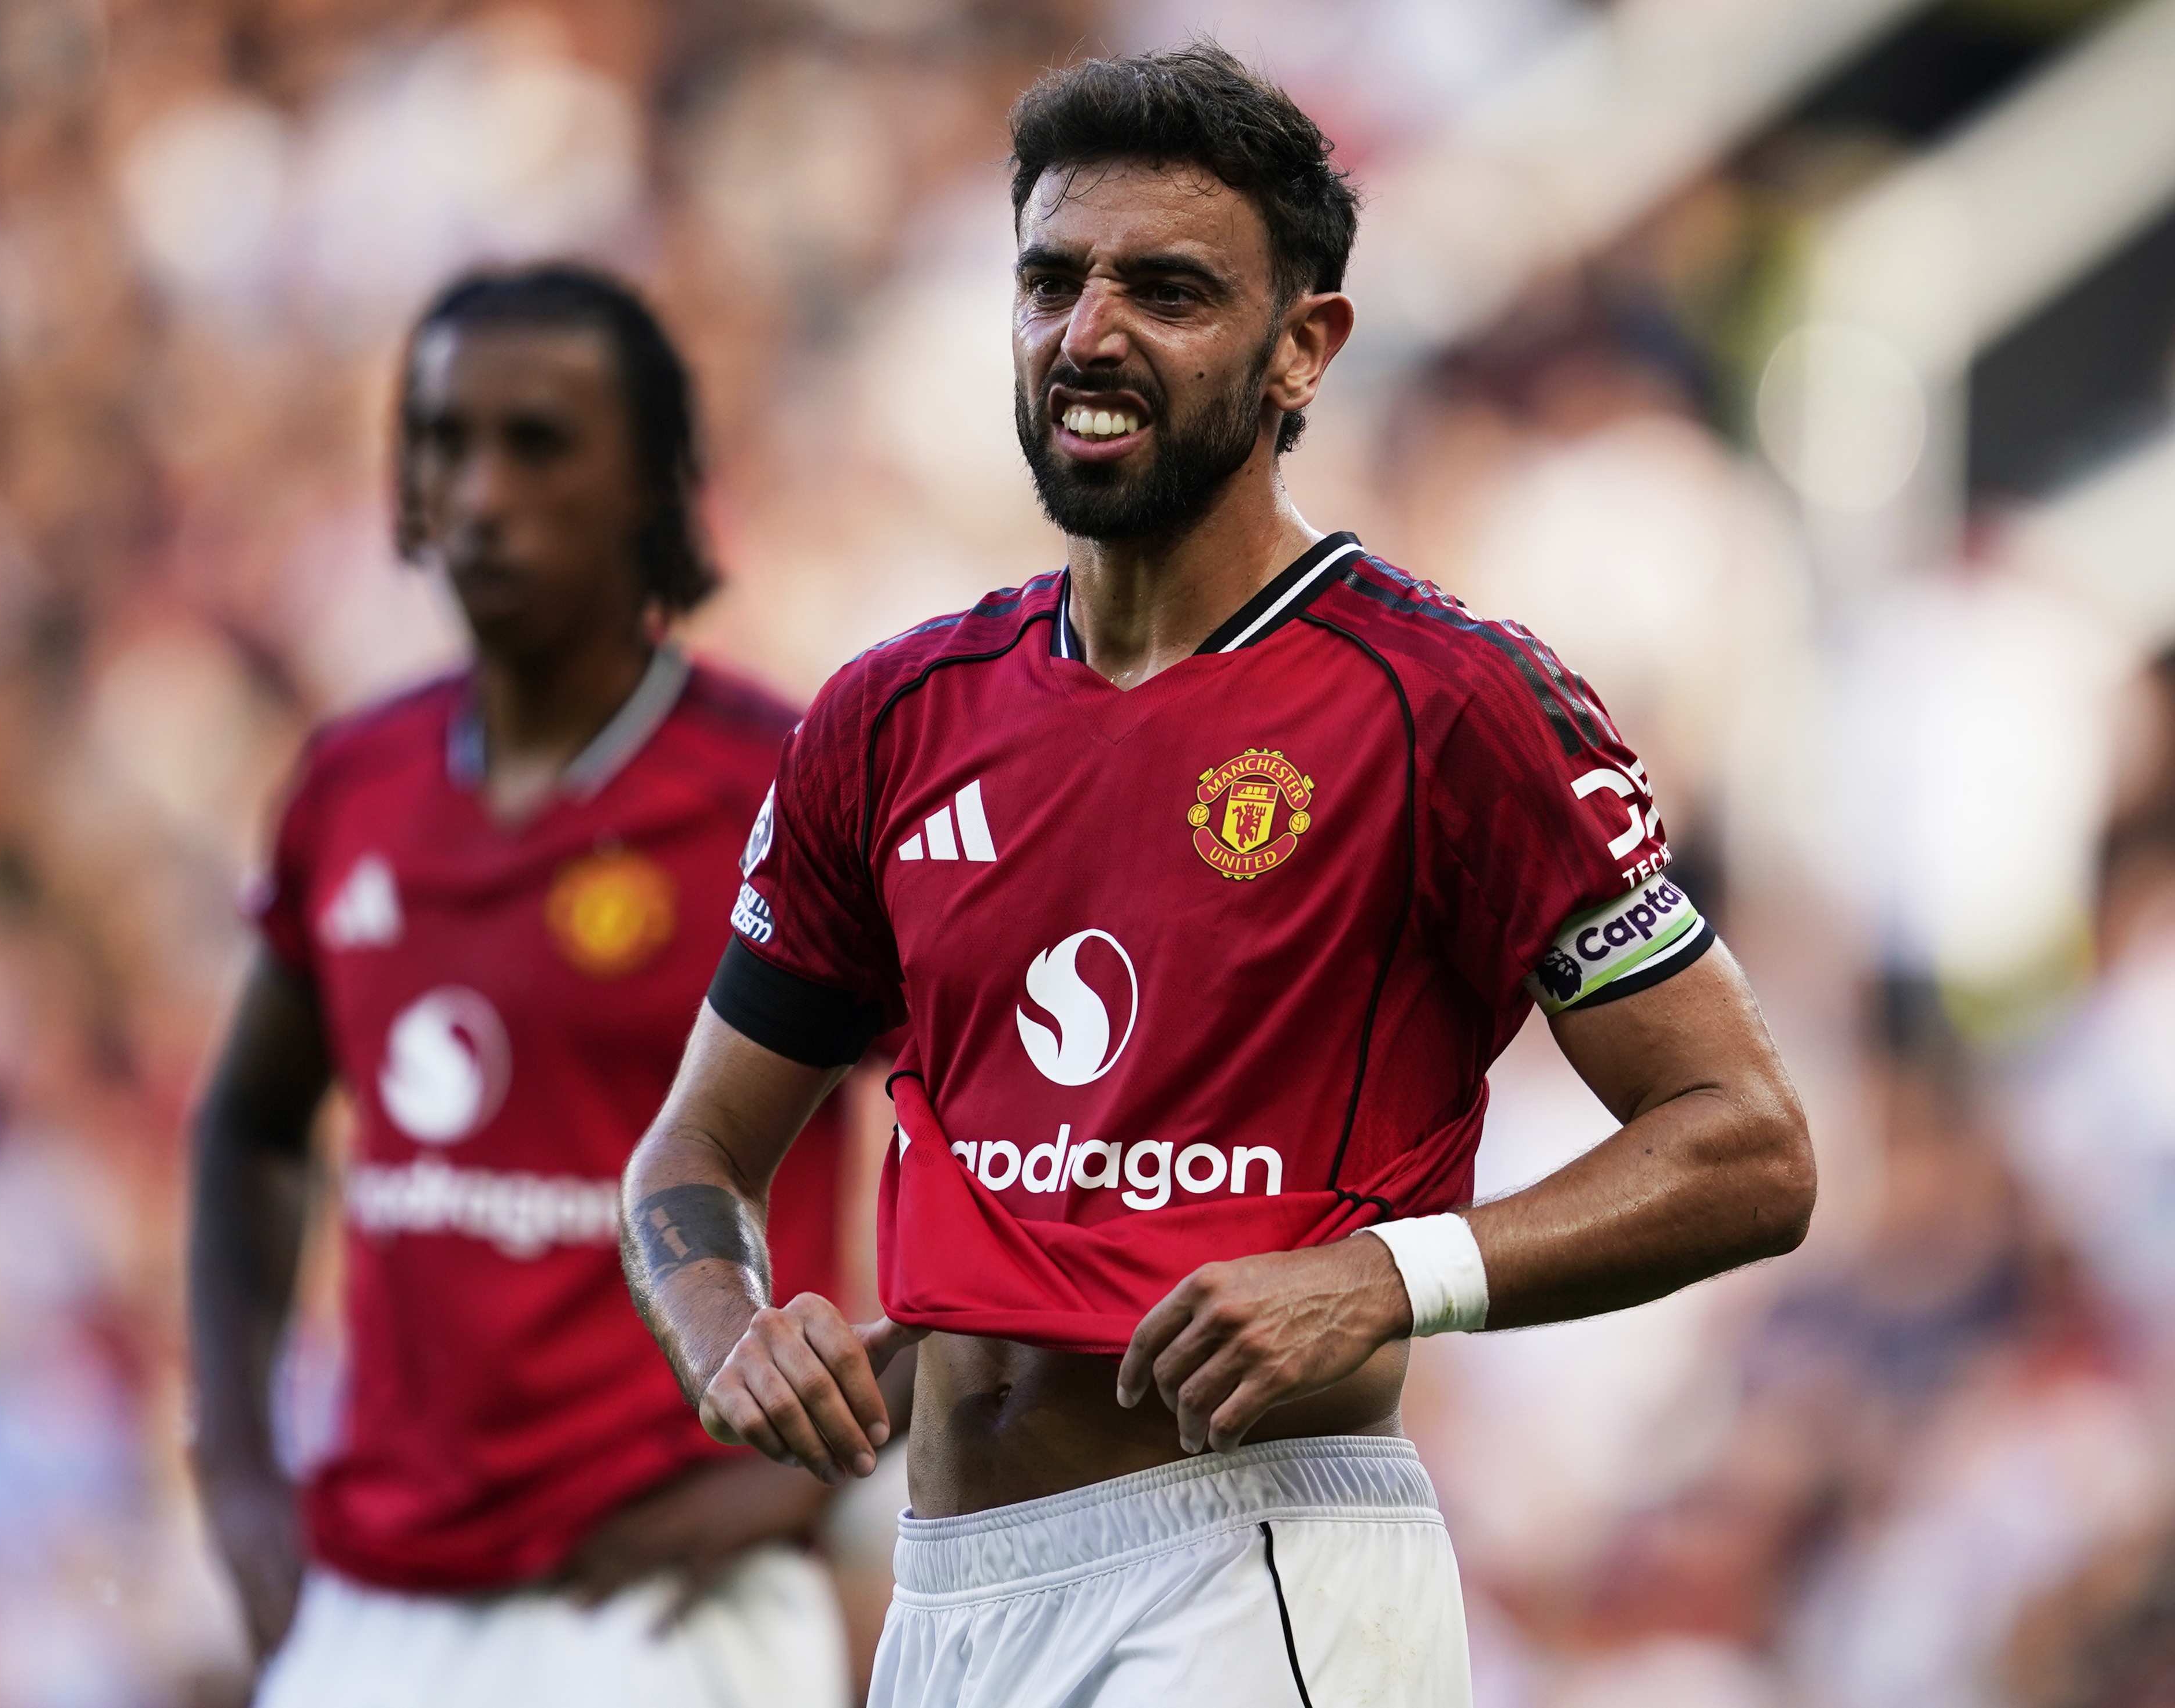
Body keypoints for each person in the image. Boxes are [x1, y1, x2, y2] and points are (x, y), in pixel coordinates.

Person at [620, 45, 1814, 1708]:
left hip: (1251, 1570)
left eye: (1167, 290)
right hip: (947, 1591)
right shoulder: (889, 716)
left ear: (1301, 350)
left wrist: (1389, 1275)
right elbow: (695, 1148)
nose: (1088, 332)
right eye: (1052, 280)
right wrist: (726, 1324)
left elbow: (1749, 1143)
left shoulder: (1446, 702)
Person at [188, 266, 854, 1708]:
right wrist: (237, 1468)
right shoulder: (349, 782)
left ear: (653, 488)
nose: (477, 491)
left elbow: (1014, 1120)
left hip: (667, 1602)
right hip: (374, 1600)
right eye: (441, 441)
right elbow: (247, 1122)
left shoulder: (785, 782)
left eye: (537, 443)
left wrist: (861, 1444)